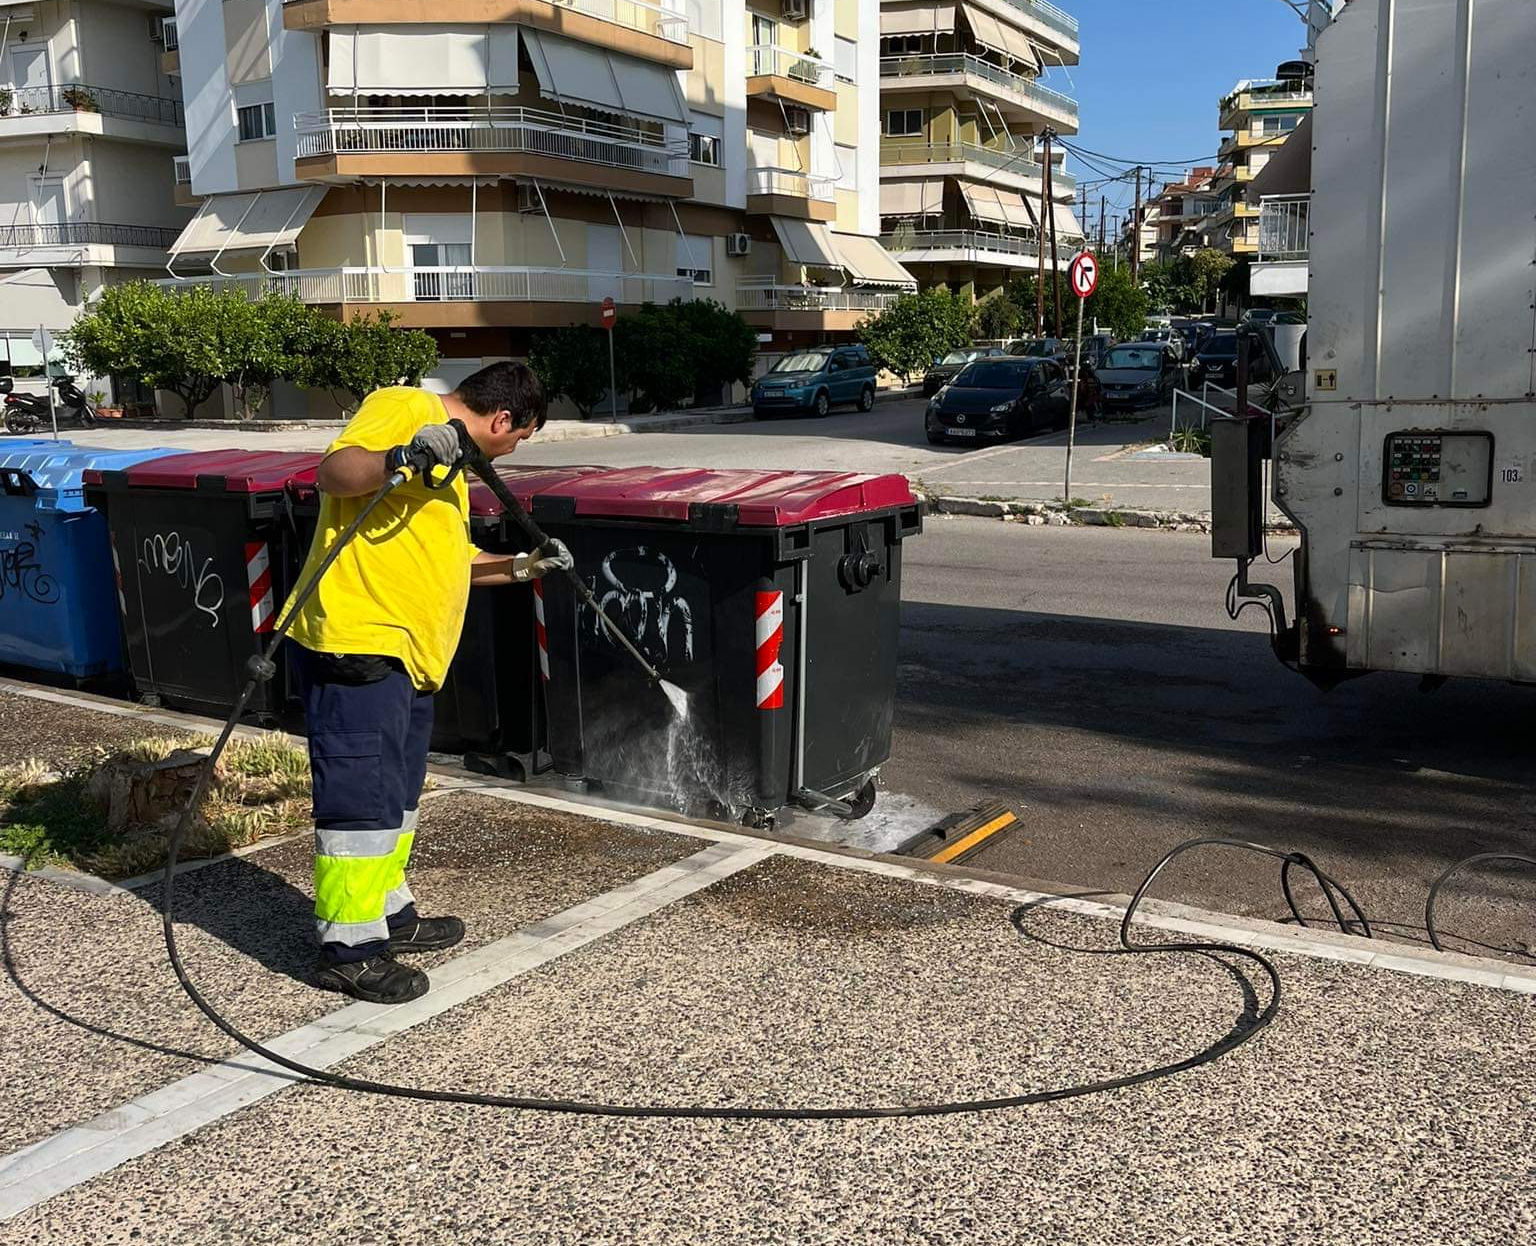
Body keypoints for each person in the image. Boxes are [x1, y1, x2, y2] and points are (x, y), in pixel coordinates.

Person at [282, 362, 572, 1004]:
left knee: (398, 795)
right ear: (503, 420)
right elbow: (335, 472)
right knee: (361, 797)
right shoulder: (406, 407)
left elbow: (455, 564)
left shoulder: (451, 476)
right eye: (518, 438)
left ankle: (388, 912)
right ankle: (349, 948)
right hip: (361, 641)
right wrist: (401, 454)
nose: (512, 449)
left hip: (409, 656)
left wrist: (526, 566)